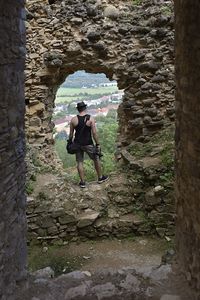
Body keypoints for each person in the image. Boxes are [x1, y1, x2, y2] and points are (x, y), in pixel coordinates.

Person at [68, 101, 109, 188]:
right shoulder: (91, 118)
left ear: (78, 109)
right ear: (85, 108)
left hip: (77, 144)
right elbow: (94, 133)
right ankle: (100, 178)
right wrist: (97, 144)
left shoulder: (73, 120)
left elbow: (71, 134)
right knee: (96, 158)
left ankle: (82, 182)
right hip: (88, 143)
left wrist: (69, 143)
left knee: (79, 162)